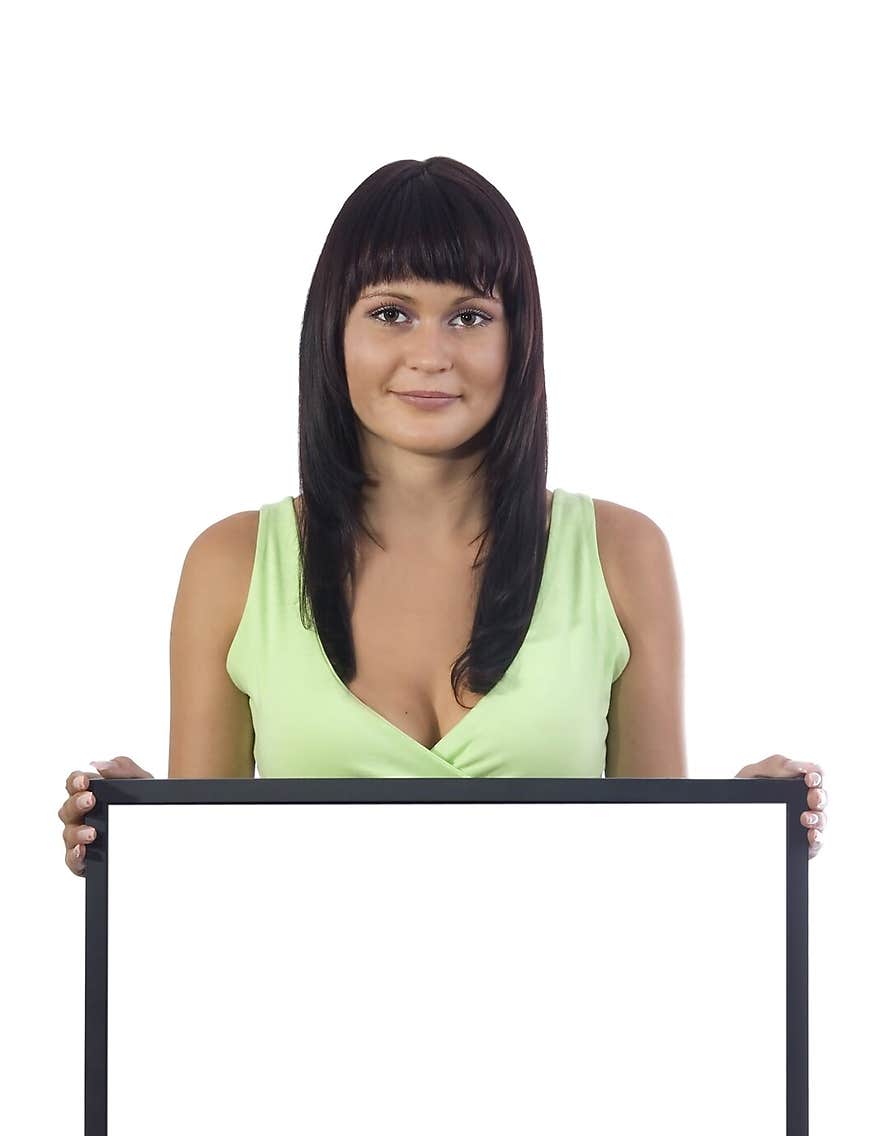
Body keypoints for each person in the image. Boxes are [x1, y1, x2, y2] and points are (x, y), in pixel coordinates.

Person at [58, 156, 826, 876]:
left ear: (518, 338)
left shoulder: (622, 554)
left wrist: (744, 823)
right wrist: (134, 835)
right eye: (392, 312)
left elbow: (656, 870)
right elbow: (211, 884)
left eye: (468, 317)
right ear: (333, 332)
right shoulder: (231, 564)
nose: (431, 354)